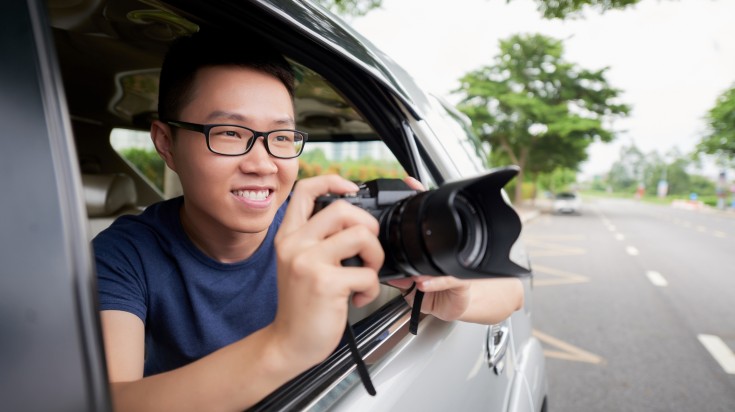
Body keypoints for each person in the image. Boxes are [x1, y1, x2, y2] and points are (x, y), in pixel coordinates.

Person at [94, 30, 524, 412]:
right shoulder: (125, 254)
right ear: (165, 142)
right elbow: (110, 401)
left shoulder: (322, 228)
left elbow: (509, 291)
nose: (262, 163)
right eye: (229, 133)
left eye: (281, 137)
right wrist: (285, 346)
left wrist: (453, 297)